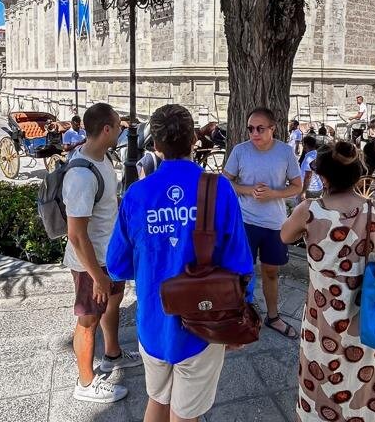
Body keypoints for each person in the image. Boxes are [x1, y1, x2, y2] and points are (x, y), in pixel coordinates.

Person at [108, 104, 253, 422]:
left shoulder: (137, 194)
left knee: (157, 400)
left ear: (156, 146)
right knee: (186, 414)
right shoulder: (219, 189)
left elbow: (116, 265)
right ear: (194, 141)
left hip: (153, 322)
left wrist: (154, 265)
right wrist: (242, 313)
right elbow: (240, 261)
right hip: (204, 322)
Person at [281, 141, 375, 422]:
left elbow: (284, 235)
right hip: (369, 320)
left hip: (321, 323)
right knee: (367, 385)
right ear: (358, 175)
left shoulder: (309, 211)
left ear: (323, 177)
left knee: (320, 380)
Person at [63, 103, 140, 403]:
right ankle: (85, 383)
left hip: (110, 255)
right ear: (107, 129)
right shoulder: (81, 176)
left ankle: (112, 354)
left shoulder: (102, 157)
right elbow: (76, 234)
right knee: (88, 320)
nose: (122, 130)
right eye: (118, 126)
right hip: (91, 263)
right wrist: (96, 276)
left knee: (112, 305)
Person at [224, 107, 304, 339]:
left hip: (274, 223)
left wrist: (274, 194)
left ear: (272, 129)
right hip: (245, 221)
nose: (254, 133)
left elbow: (297, 186)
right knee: (241, 272)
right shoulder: (240, 151)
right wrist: (248, 190)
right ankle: (239, 316)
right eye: (250, 129)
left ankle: (273, 316)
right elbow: (225, 181)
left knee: (271, 272)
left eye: (260, 128)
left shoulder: (285, 152)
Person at [298, 135, 323, 200]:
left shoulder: (309, 158)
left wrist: (303, 192)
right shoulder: (317, 154)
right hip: (318, 188)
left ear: (305, 145)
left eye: (303, 143)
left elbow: (308, 177)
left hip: (310, 190)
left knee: (301, 205)